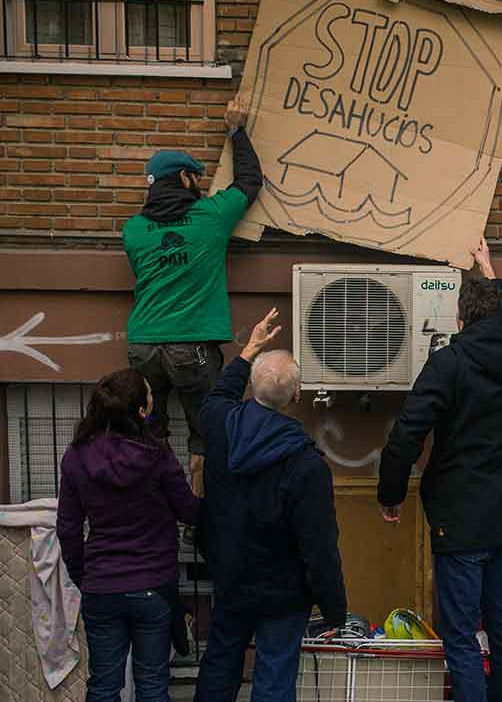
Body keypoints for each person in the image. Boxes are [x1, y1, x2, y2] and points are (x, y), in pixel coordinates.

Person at [377, 238, 502, 702]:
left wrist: (391, 493)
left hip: (460, 524)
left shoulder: (449, 362)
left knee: (461, 637)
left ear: (461, 320)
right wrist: (487, 268)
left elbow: (408, 432)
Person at [194, 309, 347, 702]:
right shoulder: (307, 464)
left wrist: (249, 351)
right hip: (284, 595)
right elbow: (319, 545)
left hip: (230, 579)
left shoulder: (218, 425)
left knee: (220, 664)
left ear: (252, 388)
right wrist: (334, 610)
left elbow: (219, 394)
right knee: (275, 679)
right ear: (297, 396)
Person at [122, 93, 263, 498]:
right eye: (194, 178)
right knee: (207, 432)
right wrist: (237, 129)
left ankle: (156, 509)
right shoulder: (211, 217)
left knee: (148, 431)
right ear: (184, 179)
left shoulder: (132, 230)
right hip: (192, 347)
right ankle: (197, 518)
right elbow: (250, 182)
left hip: (143, 346)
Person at [56, 369, 201, 702]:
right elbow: (189, 512)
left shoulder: (76, 457)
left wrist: (85, 576)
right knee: (152, 685)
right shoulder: (157, 455)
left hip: (101, 586)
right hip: (153, 585)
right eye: (150, 396)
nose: (153, 401)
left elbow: (68, 528)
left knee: (104, 686)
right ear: (141, 411)